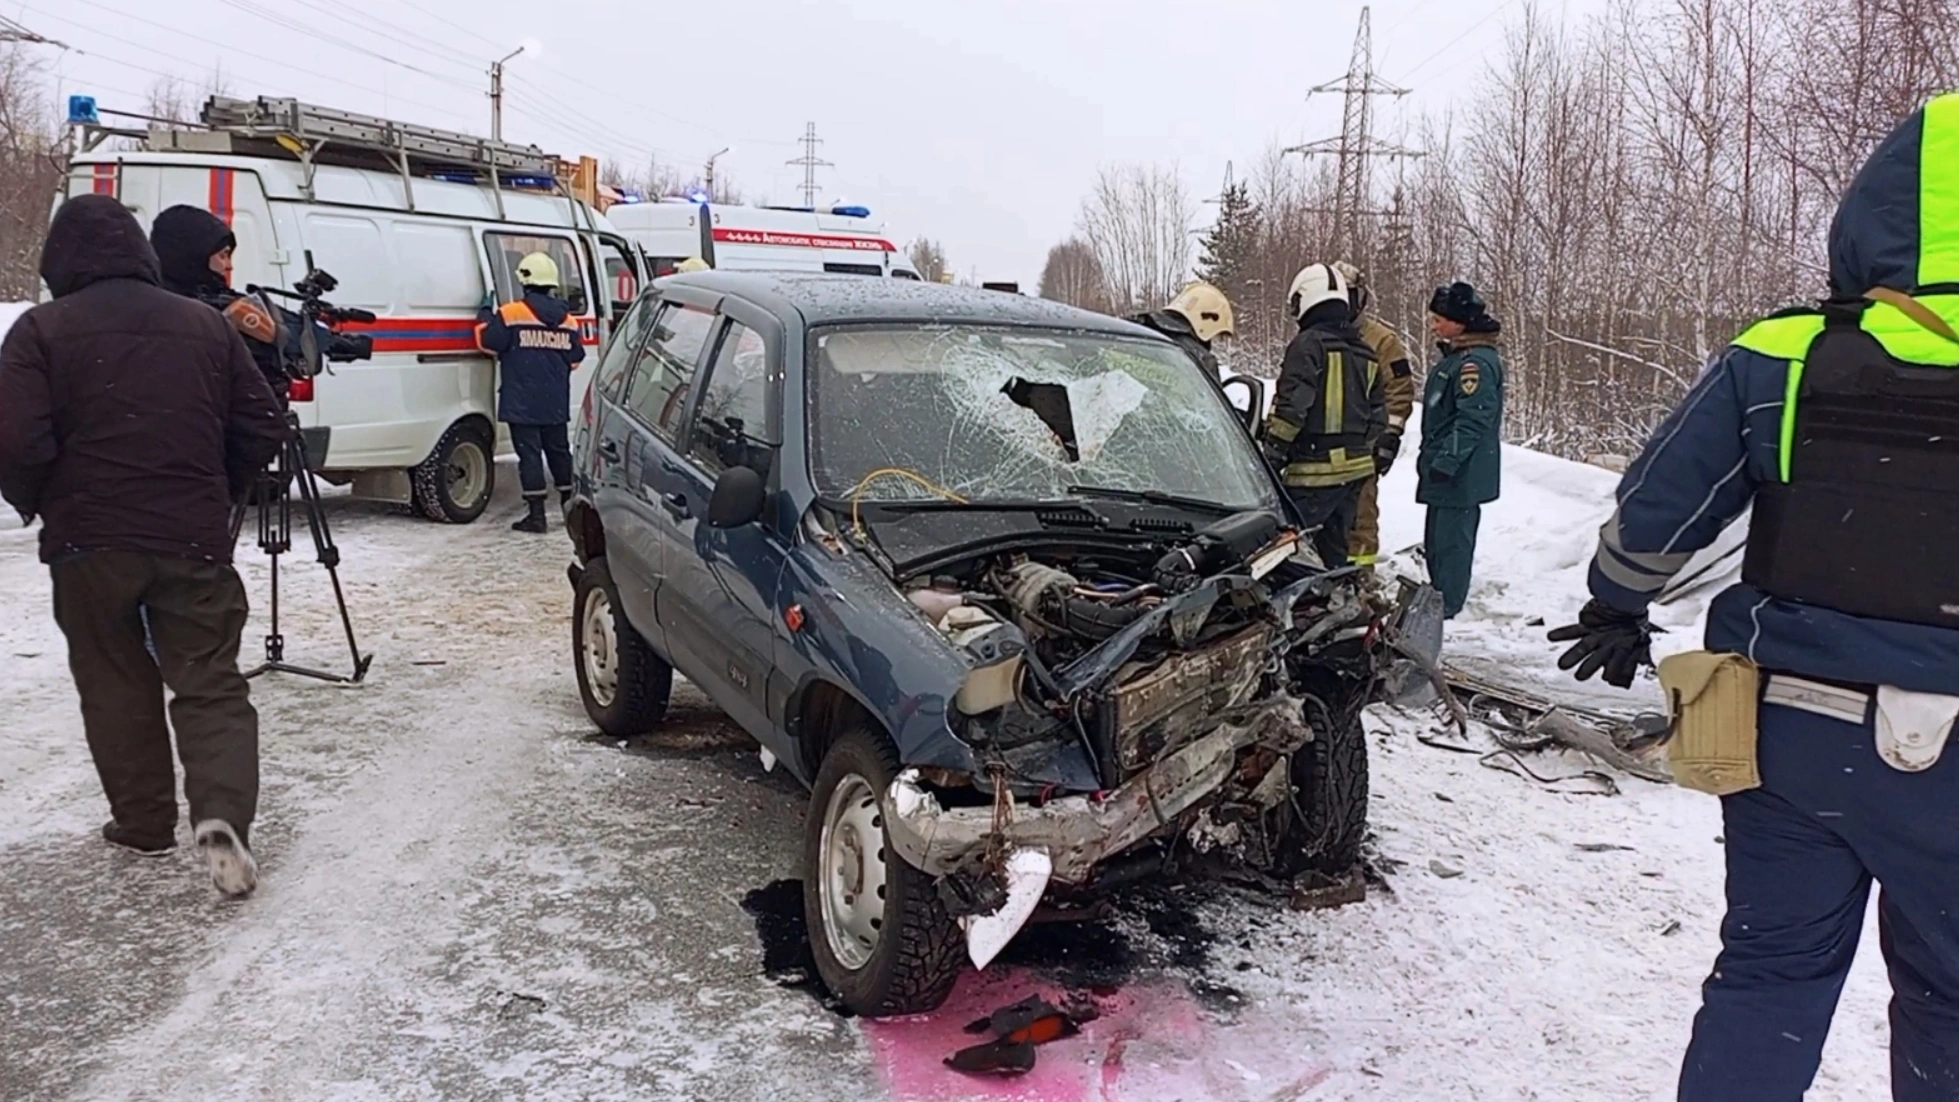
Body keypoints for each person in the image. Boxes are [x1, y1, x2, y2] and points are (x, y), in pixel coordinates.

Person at [1548, 94, 1959, 1102]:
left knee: (1769, 976)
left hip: (1792, 737)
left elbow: (1656, 509)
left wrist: (1615, 602)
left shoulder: (1784, 353)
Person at [0, 194, 286, 897]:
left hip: (87, 543)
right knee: (211, 682)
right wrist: (216, 491)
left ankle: (143, 821)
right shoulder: (205, 327)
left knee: (113, 682)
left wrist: (42, 502)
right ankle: (220, 820)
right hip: (189, 536)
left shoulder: (39, 332)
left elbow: (17, 442)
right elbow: (262, 424)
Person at [1261, 263, 1384, 567]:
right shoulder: (1366, 351)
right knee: (1334, 552)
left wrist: (1270, 457)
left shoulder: (1307, 345)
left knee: (1289, 553)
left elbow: (1291, 410)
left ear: (1307, 298)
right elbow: (1378, 418)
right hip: (1355, 474)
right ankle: (1338, 600)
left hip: (1312, 474)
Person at [477, 252, 585, 533]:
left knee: (530, 456)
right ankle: (570, 511)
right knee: (560, 454)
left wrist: (484, 316)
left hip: (523, 402)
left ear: (525, 281)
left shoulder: (511, 314)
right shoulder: (569, 321)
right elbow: (574, 358)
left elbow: (488, 343)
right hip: (555, 402)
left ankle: (537, 516)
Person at [1416, 281, 1503, 618]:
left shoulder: (1473, 364)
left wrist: (1447, 460)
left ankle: (1446, 608)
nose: (1433, 324)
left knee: (1452, 545)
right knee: (1438, 541)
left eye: (1440, 319)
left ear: (1459, 321)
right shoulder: (1459, 357)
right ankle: (1439, 599)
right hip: (1447, 470)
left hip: (1459, 474)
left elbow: (1473, 419)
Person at [149, 204, 295, 403]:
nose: (229, 266)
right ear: (195, 254)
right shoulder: (198, 312)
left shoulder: (148, 299)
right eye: (222, 255)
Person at [1332, 261, 1416, 569]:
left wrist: (1388, 437)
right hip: (1319, 449)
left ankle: (1360, 579)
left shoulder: (1381, 340)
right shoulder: (1313, 337)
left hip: (1361, 447)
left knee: (1360, 518)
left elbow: (1400, 392)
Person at [1128, 280, 1235, 378]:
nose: (1212, 340)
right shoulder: (1200, 360)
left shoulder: (1132, 331)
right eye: (1214, 335)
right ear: (1207, 321)